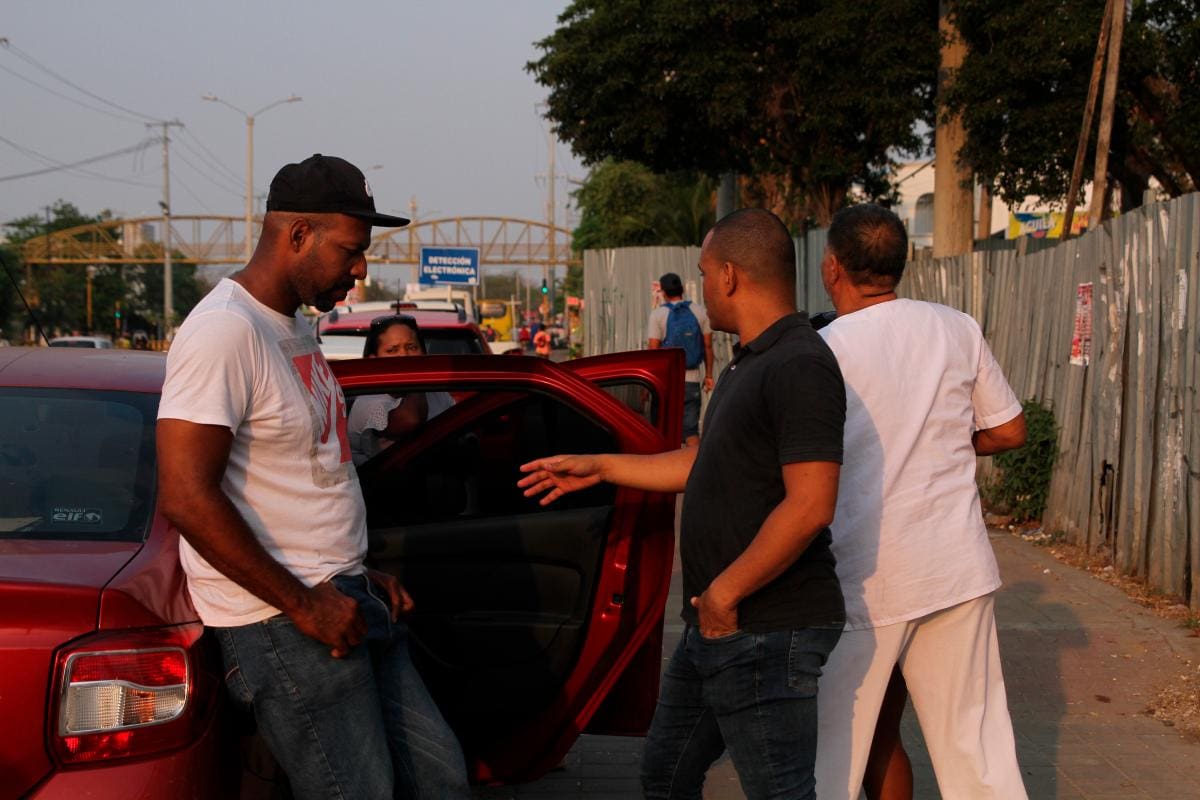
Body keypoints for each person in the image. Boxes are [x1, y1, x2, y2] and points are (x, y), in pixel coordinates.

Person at [155, 154, 470, 800]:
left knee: (440, 779)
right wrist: (304, 603)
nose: (361, 269)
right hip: (284, 621)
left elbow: (304, 474)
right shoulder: (223, 332)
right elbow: (186, 496)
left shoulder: (291, 330)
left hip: (344, 595)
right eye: (352, 251)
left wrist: (354, 570)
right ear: (298, 234)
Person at [519, 208, 846, 800]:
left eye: (701, 273)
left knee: (781, 791)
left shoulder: (799, 363)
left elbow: (811, 505)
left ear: (727, 275)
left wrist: (726, 594)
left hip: (764, 624)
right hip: (719, 624)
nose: (699, 288)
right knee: (665, 774)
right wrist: (599, 467)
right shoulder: (754, 359)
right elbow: (700, 463)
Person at [813, 204, 1028, 799]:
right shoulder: (956, 326)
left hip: (866, 579)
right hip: (956, 569)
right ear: (899, 266)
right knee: (977, 750)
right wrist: (946, 441)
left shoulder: (823, 349)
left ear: (833, 268)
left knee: (834, 753)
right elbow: (1010, 431)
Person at [348, 313, 455, 466]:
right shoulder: (369, 401)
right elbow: (411, 419)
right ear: (373, 361)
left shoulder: (437, 393)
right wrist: (414, 376)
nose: (404, 355)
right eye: (392, 350)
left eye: (411, 347)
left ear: (423, 353)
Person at [648, 271, 714, 446]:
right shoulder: (700, 311)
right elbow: (708, 346)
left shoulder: (658, 315)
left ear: (663, 292)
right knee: (691, 431)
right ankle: (695, 471)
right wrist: (708, 376)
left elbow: (653, 351)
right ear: (682, 289)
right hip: (692, 380)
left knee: (665, 430)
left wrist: (646, 387)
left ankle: (668, 470)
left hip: (666, 381)